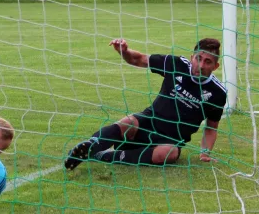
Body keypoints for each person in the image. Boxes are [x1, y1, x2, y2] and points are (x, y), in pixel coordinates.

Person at [65, 38, 227, 170]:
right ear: (192, 57)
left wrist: (205, 153)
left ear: (215, 66)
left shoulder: (218, 93)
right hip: (146, 124)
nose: (201, 65)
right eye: (198, 58)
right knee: (128, 122)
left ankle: (103, 156)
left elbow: (211, 127)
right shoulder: (175, 64)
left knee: (168, 154)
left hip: (169, 141)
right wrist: (125, 51)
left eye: (208, 62)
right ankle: (92, 145)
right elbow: (139, 59)